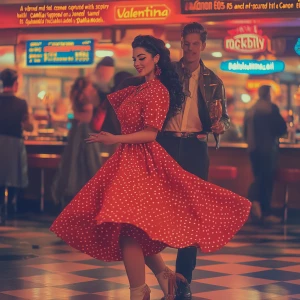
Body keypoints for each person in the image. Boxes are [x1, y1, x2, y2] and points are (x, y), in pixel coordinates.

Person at [50, 35, 251, 300]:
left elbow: (151, 133)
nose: (136, 63)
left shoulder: (158, 90)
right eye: (134, 58)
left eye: (142, 57)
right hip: (127, 161)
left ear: (156, 58)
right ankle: (165, 279)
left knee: (129, 228)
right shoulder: (138, 88)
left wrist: (115, 139)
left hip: (142, 161)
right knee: (127, 228)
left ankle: (141, 290)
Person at [117, 22, 230, 299]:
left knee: (190, 215)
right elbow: (143, 86)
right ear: (181, 44)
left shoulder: (214, 80)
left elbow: (223, 117)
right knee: (153, 211)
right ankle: (161, 271)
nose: (189, 49)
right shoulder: (167, 73)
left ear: (203, 46)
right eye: (185, 43)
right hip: (164, 144)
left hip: (194, 146)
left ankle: (182, 280)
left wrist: (220, 127)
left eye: (194, 44)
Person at [51, 77, 102, 208]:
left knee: (73, 165)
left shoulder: (77, 98)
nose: (92, 87)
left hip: (77, 134)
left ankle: (73, 199)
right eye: (89, 86)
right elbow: (88, 116)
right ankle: (89, 199)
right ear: (85, 87)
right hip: (85, 134)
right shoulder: (87, 99)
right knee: (89, 165)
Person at [244, 85, 287, 224]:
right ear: (269, 94)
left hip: (253, 150)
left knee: (258, 178)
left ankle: (255, 205)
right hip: (268, 149)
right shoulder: (271, 108)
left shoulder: (251, 109)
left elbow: (244, 132)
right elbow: (281, 129)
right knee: (266, 180)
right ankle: (265, 211)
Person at [0, 68, 33, 224]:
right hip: (14, 143)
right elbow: (29, 127)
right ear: (15, 84)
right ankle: (12, 205)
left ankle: (1, 207)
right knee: (14, 177)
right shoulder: (21, 103)